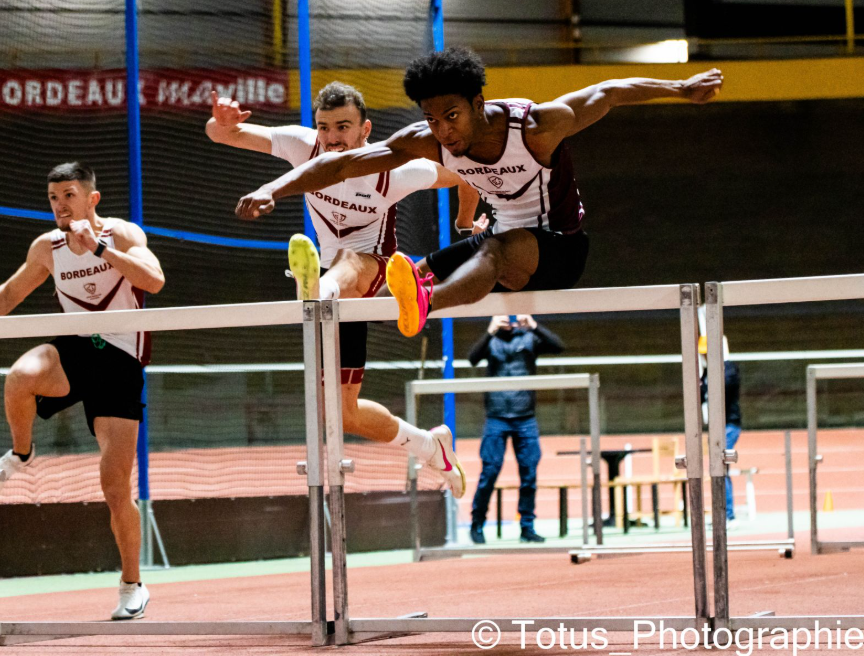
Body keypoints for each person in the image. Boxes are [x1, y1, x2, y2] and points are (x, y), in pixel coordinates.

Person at [235, 47, 724, 338]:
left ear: (477, 103)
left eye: (452, 116)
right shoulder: (428, 141)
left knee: (490, 250)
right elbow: (341, 164)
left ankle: (428, 305)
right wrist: (273, 188)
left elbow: (608, 92)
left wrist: (681, 87)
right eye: (431, 119)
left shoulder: (534, 127)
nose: (443, 131)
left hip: (560, 248)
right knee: (405, 278)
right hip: (504, 243)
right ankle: (417, 292)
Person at [207, 81, 485, 498]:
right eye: (325, 127)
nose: (332, 137)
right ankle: (431, 446)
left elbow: (467, 167)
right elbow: (225, 135)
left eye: (343, 127)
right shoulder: (303, 148)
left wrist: (465, 223)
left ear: (365, 129)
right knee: (340, 412)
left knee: (349, 261)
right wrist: (221, 121)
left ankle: (314, 289)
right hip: (335, 289)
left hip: (376, 271)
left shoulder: (396, 168)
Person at [0, 162, 165, 620]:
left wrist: (97, 247)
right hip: (74, 351)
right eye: (54, 198)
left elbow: (154, 280)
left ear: (92, 199)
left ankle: (132, 585)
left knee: (115, 487)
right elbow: (9, 294)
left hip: (120, 363)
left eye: (70, 195)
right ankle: (22, 454)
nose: (61, 205)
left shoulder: (122, 234)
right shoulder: (47, 247)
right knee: (20, 376)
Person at [466, 314, 564, 544]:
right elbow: (472, 358)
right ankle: (477, 524)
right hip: (496, 417)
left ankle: (527, 527)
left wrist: (535, 325)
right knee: (489, 473)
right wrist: (489, 331)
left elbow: (558, 347)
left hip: (526, 418)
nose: (509, 321)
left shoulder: (529, 338)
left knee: (529, 475)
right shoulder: (491, 340)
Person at [700, 335, 742, 528]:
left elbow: (725, 386)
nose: (705, 357)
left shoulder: (729, 369)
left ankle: (728, 514)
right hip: (717, 426)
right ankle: (721, 512)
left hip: (729, 425)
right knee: (716, 468)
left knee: (720, 466)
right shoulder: (707, 372)